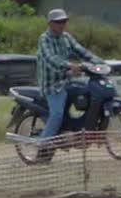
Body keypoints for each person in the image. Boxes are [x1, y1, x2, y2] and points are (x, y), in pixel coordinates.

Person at [35, 8, 102, 143]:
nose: (61, 24)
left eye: (64, 21)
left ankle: (77, 129)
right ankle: (42, 146)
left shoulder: (66, 37)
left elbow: (81, 51)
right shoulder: (44, 39)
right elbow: (51, 59)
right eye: (58, 22)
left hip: (67, 81)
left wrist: (101, 63)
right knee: (57, 115)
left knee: (91, 93)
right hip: (53, 86)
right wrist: (69, 65)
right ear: (50, 23)